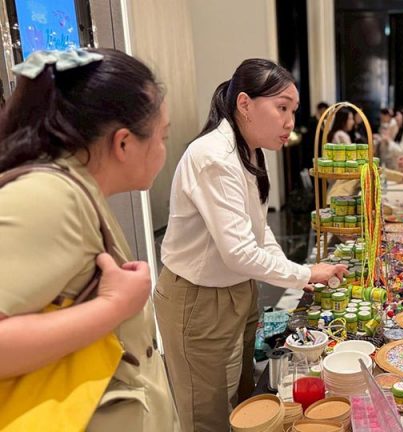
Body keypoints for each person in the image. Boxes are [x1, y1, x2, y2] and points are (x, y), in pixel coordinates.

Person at [155, 58, 347, 432]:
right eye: (281, 108)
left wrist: (299, 275)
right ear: (244, 103)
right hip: (198, 298)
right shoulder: (214, 156)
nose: (290, 122)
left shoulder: (251, 151)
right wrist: (304, 272)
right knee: (207, 413)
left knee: (246, 401)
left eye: (293, 111)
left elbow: (258, 232)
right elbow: (239, 252)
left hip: (235, 288)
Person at [0, 48, 178, 430]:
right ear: (124, 143)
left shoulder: (76, 191)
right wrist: (113, 306)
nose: (164, 150)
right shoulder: (50, 198)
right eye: (162, 137)